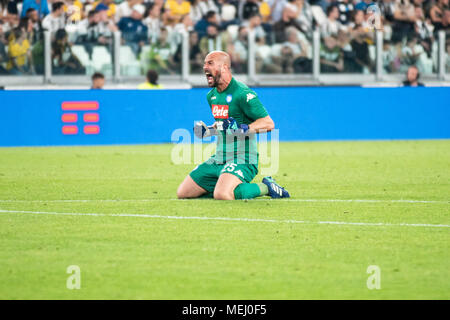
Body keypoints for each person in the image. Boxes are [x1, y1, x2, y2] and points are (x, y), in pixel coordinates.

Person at [176, 50, 290, 200]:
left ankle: (266, 187)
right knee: (184, 193)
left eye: (210, 63)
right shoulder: (212, 96)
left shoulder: (243, 93)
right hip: (219, 158)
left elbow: (268, 123)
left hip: (243, 158)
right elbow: (224, 127)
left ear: (224, 67)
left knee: (222, 194)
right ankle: (226, 187)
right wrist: (208, 131)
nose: (204, 67)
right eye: (204, 63)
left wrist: (244, 129)